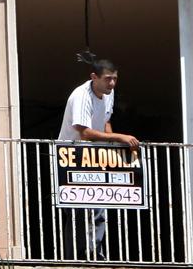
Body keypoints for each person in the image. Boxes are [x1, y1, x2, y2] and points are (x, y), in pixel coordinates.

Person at [58, 59, 139, 260]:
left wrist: (112, 146)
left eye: (115, 79)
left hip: (94, 156)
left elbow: (105, 121)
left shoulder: (107, 94)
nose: (112, 84)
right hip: (71, 157)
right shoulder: (81, 95)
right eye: (108, 79)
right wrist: (119, 137)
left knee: (99, 208)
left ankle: (95, 255)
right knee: (77, 213)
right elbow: (84, 132)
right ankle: (75, 259)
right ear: (94, 77)